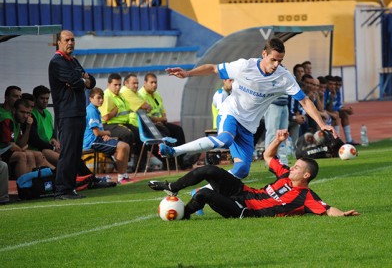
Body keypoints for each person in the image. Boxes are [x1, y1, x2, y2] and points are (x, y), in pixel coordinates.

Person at [161, 37, 336, 179]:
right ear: (264, 54)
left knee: (242, 170)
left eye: (280, 61)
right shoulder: (244, 66)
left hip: (248, 125)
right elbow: (213, 68)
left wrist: (321, 124)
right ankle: (174, 151)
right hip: (231, 112)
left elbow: (304, 101)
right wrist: (187, 74)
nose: (276, 64)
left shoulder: (284, 77)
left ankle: (200, 193)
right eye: (273, 59)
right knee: (224, 140)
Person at [148, 129, 360, 219]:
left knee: (204, 194)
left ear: (306, 176)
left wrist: (342, 214)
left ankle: (182, 214)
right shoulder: (285, 175)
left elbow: (327, 209)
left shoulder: (306, 197)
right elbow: (268, 156)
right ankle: (172, 187)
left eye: (297, 168)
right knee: (209, 170)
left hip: (245, 210)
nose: (292, 167)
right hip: (243, 192)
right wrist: (278, 140)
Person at [49, 30, 96, 200]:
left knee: (76, 152)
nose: (70, 42)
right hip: (67, 113)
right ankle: (62, 189)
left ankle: (70, 187)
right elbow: (79, 82)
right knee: (68, 152)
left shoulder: (73, 61)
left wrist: (82, 80)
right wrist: (82, 80)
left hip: (78, 112)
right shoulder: (57, 62)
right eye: (67, 40)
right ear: (59, 43)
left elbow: (91, 81)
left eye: (72, 39)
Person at [84, 88, 131, 183]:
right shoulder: (91, 111)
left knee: (126, 146)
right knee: (123, 146)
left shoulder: (95, 110)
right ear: (91, 98)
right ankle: (121, 177)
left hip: (97, 139)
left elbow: (98, 131)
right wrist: (108, 133)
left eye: (102, 98)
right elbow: (96, 133)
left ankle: (124, 175)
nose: (101, 100)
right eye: (98, 98)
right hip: (92, 141)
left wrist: (104, 135)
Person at [0, 99, 54, 178]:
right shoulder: (7, 119)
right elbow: (11, 145)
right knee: (23, 155)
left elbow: (21, 144)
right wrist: (22, 150)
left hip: (7, 150)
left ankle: (43, 179)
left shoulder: (19, 121)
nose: (25, 116)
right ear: (14, 110)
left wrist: (28, 127)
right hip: (2, 151)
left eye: (28, 113)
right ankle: (24, 185)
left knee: (38, 154)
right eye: (22, 112)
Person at [99, 73, 139, 169]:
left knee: (138, 134)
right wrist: (116, 109)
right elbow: (105, 117)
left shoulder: (120, 95)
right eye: (115, 85)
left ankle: (138, 165)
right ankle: (124, 164)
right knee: (127, 134)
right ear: (109, 85)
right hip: (109, 125)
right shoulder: (107, 96)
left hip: (122, 123)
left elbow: (128, 110)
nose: (118, 87)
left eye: (119, 85)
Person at [324, 75, 358, 145]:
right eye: (336, 84)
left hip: (329, 111)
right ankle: (337, 140)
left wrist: (345, 109)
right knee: (335, 115)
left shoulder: (337, 92)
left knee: (344, 114)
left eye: (340, 85)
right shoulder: (326, 92)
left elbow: (338, 104)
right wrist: (342, 109)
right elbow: (326, 108)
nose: (337, 87)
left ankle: (349, 140)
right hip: (325, 112)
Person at [264, 95, 289, 164]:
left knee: (283, 134)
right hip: (272, 102)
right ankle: (270, 160)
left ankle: (282, 159)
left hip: (284, 101)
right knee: (272, 133)